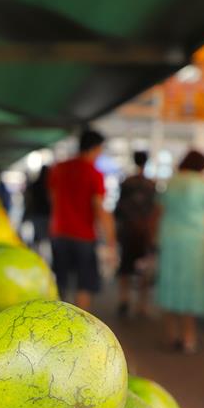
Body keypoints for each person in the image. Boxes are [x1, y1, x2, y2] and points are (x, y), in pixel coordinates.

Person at [155, 149, 204, 354]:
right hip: (193, 241)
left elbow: (159, 210)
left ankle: (170, 336)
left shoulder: (172, 182)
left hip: (169, 239)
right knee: (190, 286)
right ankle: (188, 337)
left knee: (169, 284)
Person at [48, 128, 116, 311]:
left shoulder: (59, 168)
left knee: (60, 281)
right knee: (84, 283)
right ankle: (79, 327)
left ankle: (58, 319)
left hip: (59, 232)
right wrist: (111, 241)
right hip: (83, 236)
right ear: (95, 148)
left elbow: (53, 198)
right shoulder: (94, 173)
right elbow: (100, 209)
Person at [114, 150, 157, 318]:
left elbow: (118, 209)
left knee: (125, 267)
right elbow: (155, 210)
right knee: (143, 267)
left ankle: (124, 299)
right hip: (145, 232)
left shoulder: (126, 183)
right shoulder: (151, 184)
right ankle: (142, 305)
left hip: (127, 230)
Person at [22, 165, 51, 255]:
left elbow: (28, 199)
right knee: (44, 238)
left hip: (35, 214)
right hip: (45, 215)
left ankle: (36, 252)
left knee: (37, 236)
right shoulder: (48, 186)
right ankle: (40, 254)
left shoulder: (34, 185)